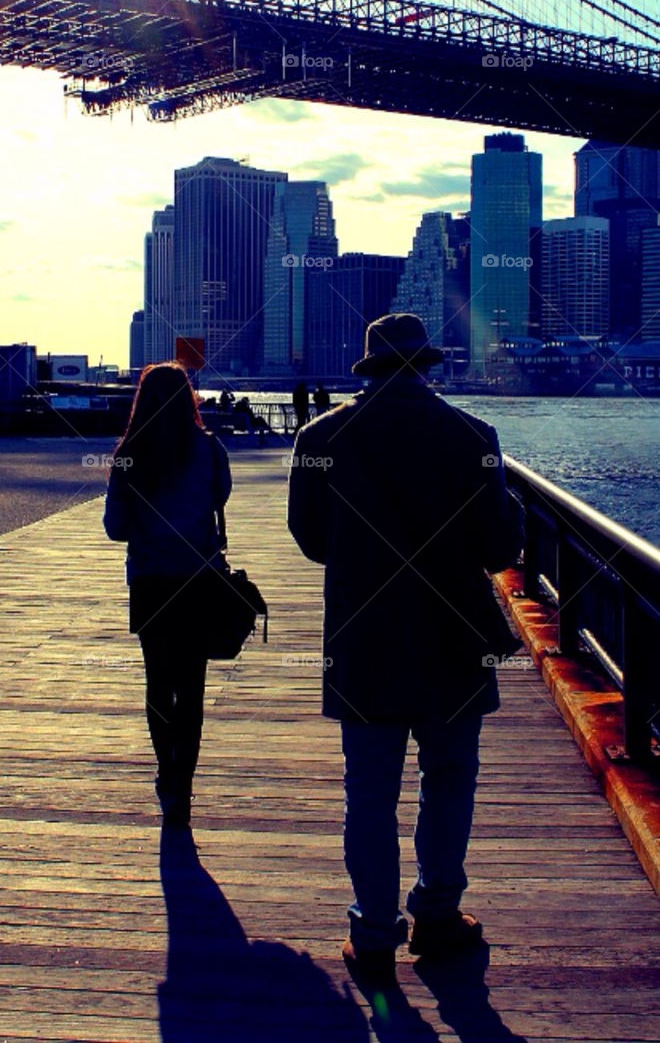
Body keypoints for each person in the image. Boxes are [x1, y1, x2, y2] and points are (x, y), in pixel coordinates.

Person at [287, 313, 523, 987]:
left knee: (368, 794)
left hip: (363, 640)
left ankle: (374, 935)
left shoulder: (320, 437)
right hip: (454, 641)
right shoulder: (473, 436)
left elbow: (311, 539)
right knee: (448, 779)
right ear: (427, 365)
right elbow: (499, 549)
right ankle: (439, 916)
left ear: (368, 369)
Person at [104, 362, 232, 828]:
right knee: (192, 687)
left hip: (151, 580)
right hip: (198, 581)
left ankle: (166, 776)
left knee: (159, 681)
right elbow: (221, 499)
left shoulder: (129, 454)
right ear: (189, 399)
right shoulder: (210, 450)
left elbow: (115, 528)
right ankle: (184, 786)